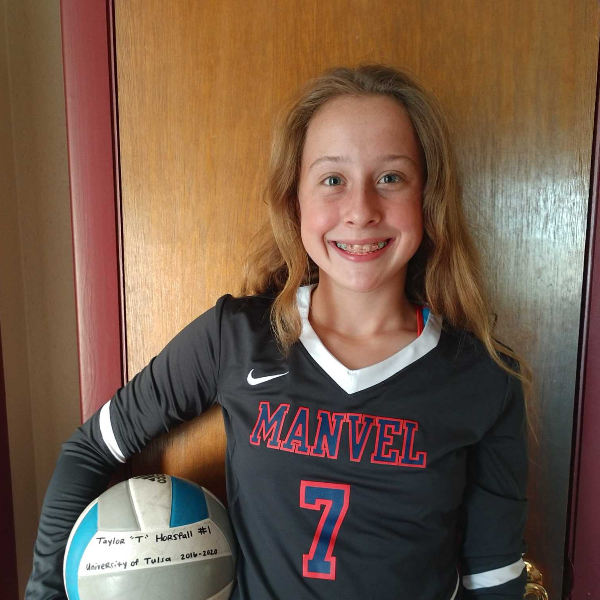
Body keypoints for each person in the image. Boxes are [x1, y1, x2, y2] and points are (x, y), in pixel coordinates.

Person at [26, 64, 530, 600]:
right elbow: (90, 450)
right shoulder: (236, 337)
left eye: (390, 178)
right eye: (332, 180)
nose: (361, 211)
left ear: (427, 197)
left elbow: (493, 579)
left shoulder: (485, 377)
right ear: (295, 199)